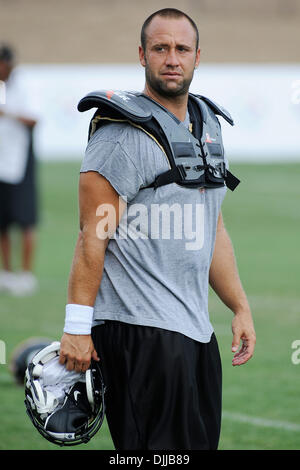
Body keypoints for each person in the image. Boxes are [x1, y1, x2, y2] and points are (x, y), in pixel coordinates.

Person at [59, 8, 256, 450]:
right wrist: (76, 327)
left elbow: (213, 227)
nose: (172, 58)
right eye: (160, 48)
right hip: (138, 332)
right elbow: (92, 237)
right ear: (142, 55)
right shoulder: (119, 136)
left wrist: (239, 307)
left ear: (198, 56)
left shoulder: (208, 128)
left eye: (181, 49)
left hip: (194, 331)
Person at [0, 44, 38, 296]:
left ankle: (25, 274)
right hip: (0, 162)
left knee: (25, 220)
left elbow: (34, 118)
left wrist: (8, 113)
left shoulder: (24, 86)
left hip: (21, 160)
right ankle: (6, 272)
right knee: (2, 222)